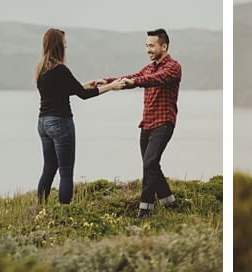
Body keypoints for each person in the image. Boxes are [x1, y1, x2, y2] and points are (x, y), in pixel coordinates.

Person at [91, 28, 182, 219]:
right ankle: (170, 202)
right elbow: (132, 77)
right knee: (151, 165)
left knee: (149, 163)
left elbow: (153, 80)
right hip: (147, 123)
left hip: (164, 122)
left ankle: (145, 209)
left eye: (152, 46)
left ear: (163, 46)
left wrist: (135, 83)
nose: (148, 49)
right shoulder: (148, 68)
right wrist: (106, 81)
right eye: (146, 46)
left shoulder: (173, 67)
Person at [34, 27, 123, 205]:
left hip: (43, 123)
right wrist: (111, 87)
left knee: (49, 168)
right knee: (66, 172)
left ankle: (40, 208)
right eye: (65, 42)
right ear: (59, 44)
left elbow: (65, 90)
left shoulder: (42, 69)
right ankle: (65, 211)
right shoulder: (61, 69)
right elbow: (83, 95)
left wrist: (89, 83)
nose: (66, 46)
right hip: (60, 123)